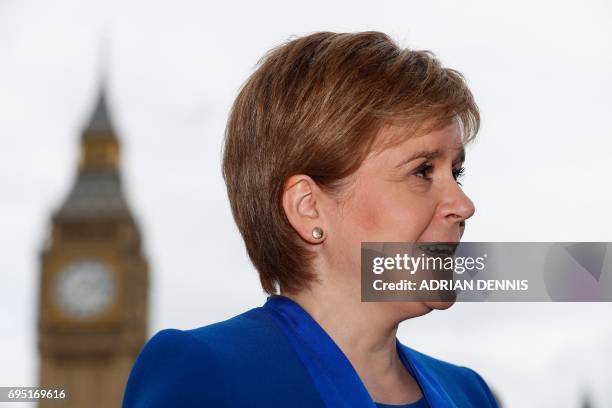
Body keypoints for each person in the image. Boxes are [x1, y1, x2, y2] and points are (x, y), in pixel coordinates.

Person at [122, 31, 499, 408]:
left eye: (457, 173)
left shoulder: (470, 394)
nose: (463, 204)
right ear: (308, 207)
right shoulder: (206, 375)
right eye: (422, 171)